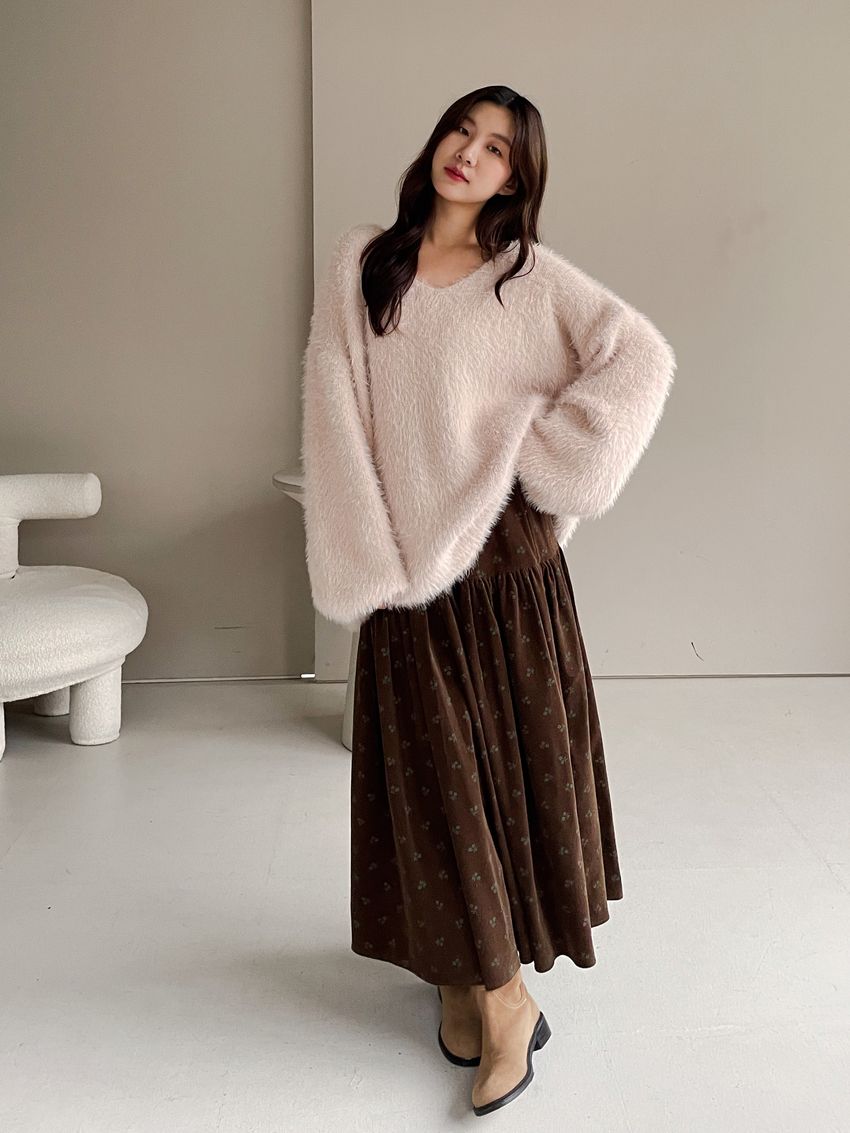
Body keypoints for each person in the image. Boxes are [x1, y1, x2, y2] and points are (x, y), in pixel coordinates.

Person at [300, 84, 676, 1117]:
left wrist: (540, 460)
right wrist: (369, 555)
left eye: (498, 148)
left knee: (495, 773)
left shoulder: (526, 277)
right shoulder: (365, 262)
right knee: (433, 782)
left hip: (504, 569)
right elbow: (336, 411)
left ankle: (507, 999)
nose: (470, 153)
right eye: (462, 131)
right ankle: (467, 980)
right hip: (404, 574)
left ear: (518, 178)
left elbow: (639, 356)